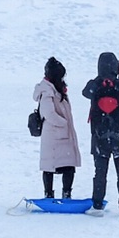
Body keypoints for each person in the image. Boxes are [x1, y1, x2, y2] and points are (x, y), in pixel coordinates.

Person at [80, 51, 119, 216]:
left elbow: (85, 92)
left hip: (100, 138)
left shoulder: (95, 85)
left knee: (100, 173)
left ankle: (97, 205)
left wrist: (100, 78)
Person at [33, 56, 81, 201]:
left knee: (66, 165)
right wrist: (63, 123)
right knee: (52, 165)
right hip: (54, 135)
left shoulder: (55, 88)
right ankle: (50, 195)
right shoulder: (47, 91)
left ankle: (65, 194)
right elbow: (48, 113)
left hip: (60, 135)